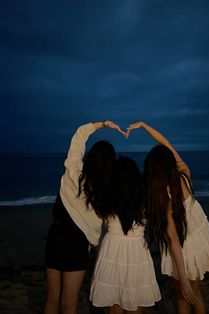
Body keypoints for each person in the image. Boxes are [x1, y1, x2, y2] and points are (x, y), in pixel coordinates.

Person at [127, 122, 209, 314]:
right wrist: (144, 126)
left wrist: (183, 279)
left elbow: (174, 241)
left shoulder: (164, 199)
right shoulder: (185, 176)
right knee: (196, 294)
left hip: (185, 253)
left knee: (183, 301)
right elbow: (166, 143)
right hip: (201, 244)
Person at [44, 120, 125, 314]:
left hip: (55, 236)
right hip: (77, 245)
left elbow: (80, 134)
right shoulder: (104, 194)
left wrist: (104, 124)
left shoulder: (73, 171)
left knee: (52, 299)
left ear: (90, 158)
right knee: (69, 304)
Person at [90, 156, 161, 314]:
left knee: (113, 302)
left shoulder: (106, 198)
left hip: (112, 249)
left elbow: (102, 219)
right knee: (135, 303)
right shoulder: (145, 199)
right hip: (136, 250)